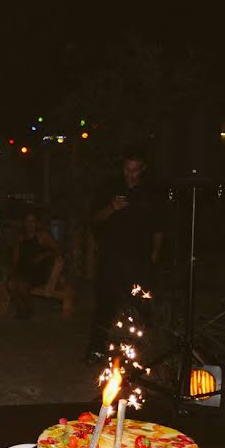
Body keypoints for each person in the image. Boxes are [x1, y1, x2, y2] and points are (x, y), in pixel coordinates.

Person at [83, 146, 165, 365]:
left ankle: (143, 353)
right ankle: (96, 350)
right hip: (111, 256)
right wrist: (112, 207)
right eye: (127, 169)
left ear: (143, 169)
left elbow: (159, 227)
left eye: (135, 170)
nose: (130, 174)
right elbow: (94, 219)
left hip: (139, 259)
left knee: (141, 307)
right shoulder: (110, 187)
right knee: (105, 306)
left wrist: (155, 255)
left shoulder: (151, 192)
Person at [6, 211, 64, 319]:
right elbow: (16, 257)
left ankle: (27, 311)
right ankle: (23, 309)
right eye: (28, 221)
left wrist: (43, 255)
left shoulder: (42, 236)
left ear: (36, 223)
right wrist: (12, 270)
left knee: (22, 285)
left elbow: (58, 250)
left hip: (37, 270)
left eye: (32, 221)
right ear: (24, 223)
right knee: (11, 284)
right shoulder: (21, 238)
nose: (30, 224)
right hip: (22, 269)